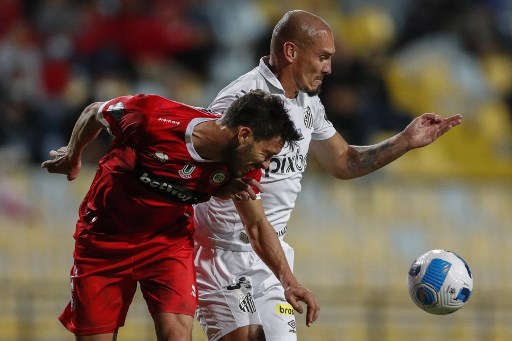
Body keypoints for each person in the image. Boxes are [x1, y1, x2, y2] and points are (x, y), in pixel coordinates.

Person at [193, 10, 463, 341]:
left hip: (271, 255)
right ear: (291, 52)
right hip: (224, 252)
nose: (329, 68)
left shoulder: (308, 103)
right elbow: (203, 171)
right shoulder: (241, 101)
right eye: (323, 57)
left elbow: (342, 161)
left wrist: (405, 141)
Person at [41, 89, 319, 341]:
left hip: (167, 245)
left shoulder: (243, 165)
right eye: (267, 153)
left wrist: (290, 282)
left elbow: (257, 225)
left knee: (176, 336)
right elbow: (94, 112)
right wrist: (73, 155)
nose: (267, 164)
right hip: (103, 243)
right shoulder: (150, 117)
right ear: (244, 134)